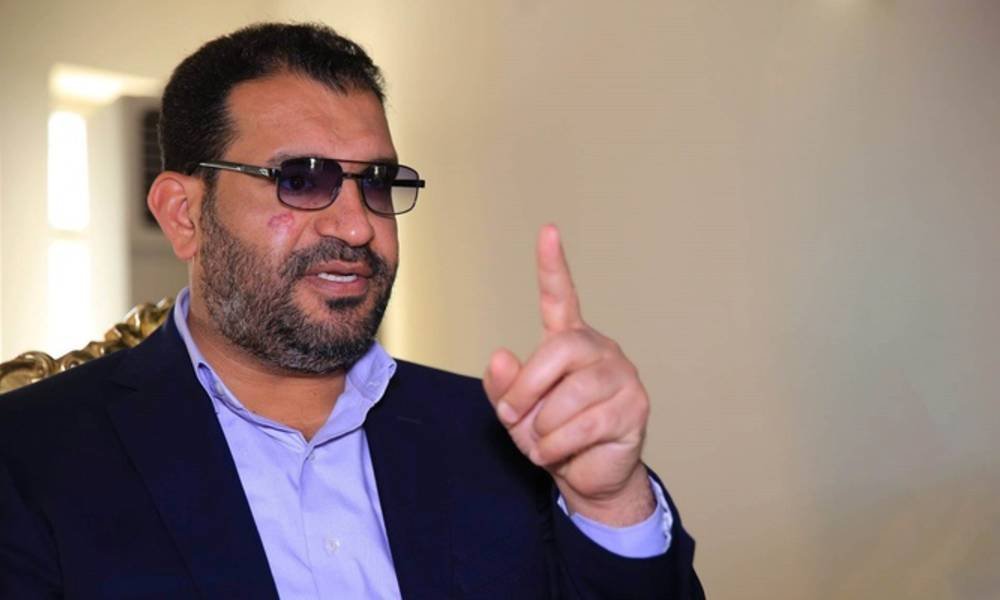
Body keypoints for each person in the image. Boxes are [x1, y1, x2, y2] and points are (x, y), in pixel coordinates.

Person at [0, 22, 701, 599]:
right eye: (301, 179)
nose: (359, 225)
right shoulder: (32, 454)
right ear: (184, 214)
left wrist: (611, 504)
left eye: (377, 182)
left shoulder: (509, 440)